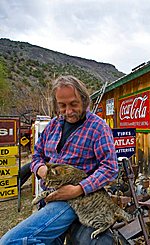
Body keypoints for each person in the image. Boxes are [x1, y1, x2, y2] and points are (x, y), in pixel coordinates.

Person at [0, 75, 118, 244]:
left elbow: (110, 168)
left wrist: (78, 189)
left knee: (10, 241)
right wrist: (41, 169)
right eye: (62, 105)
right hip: (48, 196)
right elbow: (37, 156)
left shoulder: (98, 128)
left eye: (73, 104)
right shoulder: (53, 125)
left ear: (84, 100)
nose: (68, 111)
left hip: (73, 202)